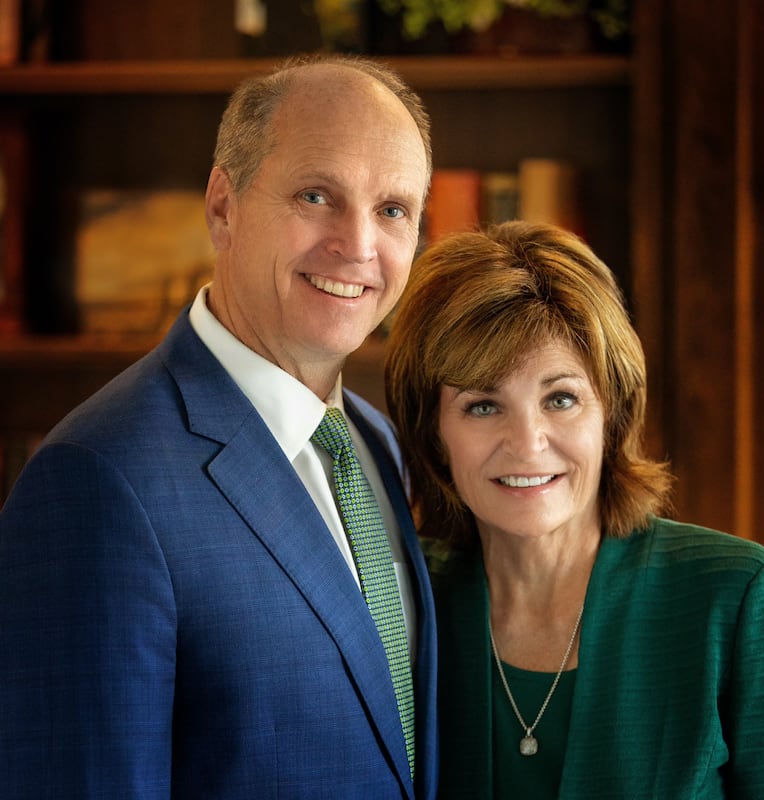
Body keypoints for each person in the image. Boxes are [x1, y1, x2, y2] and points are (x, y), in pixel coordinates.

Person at [0, 54, 438, 799]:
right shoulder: (97, 479)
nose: (359, 245)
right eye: (315, 194)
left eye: (393, 209)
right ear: (223, 206)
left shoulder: (377, 444)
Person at [384, 220, 764, 798]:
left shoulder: (734, 597)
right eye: (482, 405)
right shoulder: (399, 599)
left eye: (561, 399)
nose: (527, 442)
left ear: (613, 412)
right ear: (433, 433)